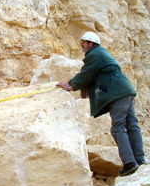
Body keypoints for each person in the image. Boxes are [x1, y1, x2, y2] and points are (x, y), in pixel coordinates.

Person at [57, 31, 146, 177]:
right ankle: (140, 160)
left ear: (91, 44)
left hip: (118, 93)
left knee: (118, 128)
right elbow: (103, 79)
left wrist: (70, 85)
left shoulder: (94, 55)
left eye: (84, 42)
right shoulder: (102, 54)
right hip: (126, 90)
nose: (82, 45)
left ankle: (130, 163)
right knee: (132, 125)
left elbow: (85, 75)